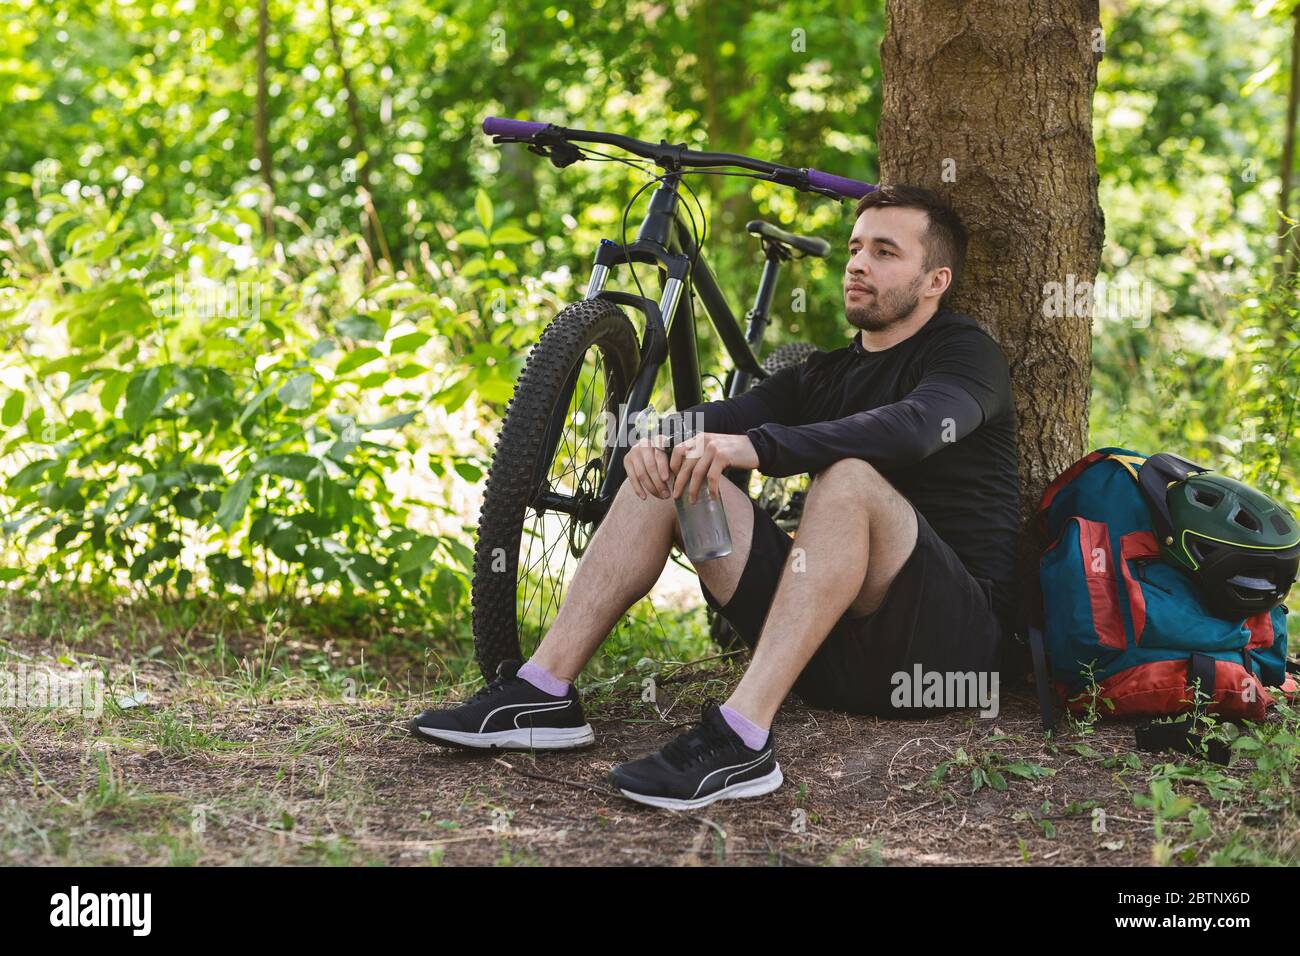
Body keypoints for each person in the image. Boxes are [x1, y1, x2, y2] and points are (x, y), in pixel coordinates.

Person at [410, 184, 1022, 812]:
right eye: (855, 248)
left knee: (848, 478)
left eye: (885, 252)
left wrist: (754, 447)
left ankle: (741, 738)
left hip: (942, 654)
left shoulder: (967, 355)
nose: (859, 264)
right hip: (826, 660)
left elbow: (918, 428)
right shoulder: (823, 374)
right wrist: (657, 439)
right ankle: (543, 691)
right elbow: (721, 415)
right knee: (679, 462)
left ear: (934, 280)